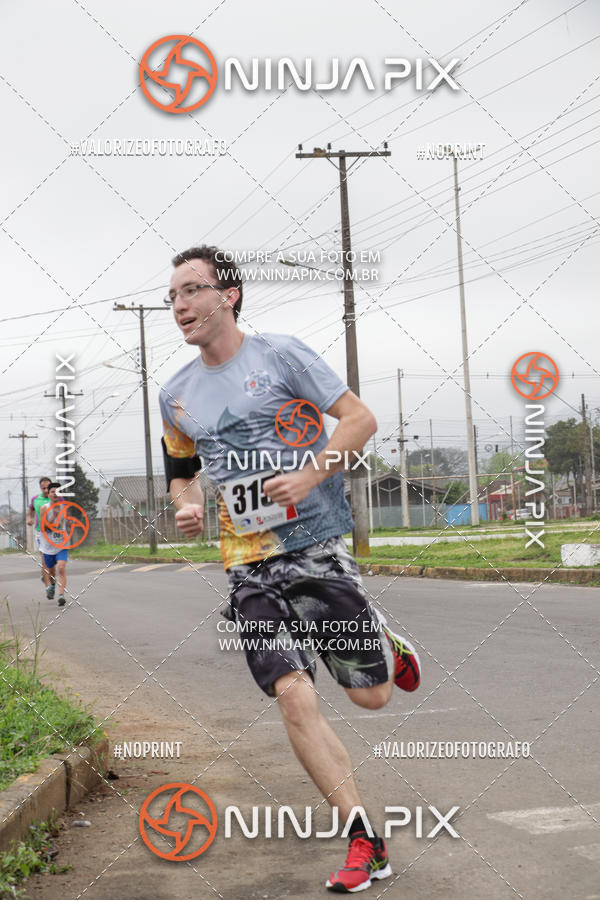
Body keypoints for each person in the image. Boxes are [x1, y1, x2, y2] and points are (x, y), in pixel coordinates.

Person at [159, 245, 421, 894]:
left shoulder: (282, 355)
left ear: (230, 295)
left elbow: (359, 420)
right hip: (247, 564)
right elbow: (182, 477)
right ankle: (365, 839)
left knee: (371, 695)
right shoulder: (175, 396)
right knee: (293, 693)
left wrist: (310, 473)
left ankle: (382, 639)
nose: (180, 306)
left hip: (317, 545)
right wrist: (188, 508)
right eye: (172, 297)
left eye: (191, 290)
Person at [38, 482, 69, 607]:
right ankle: (52, 585)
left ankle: (61, 595)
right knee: (52, 572)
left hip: (61, 544)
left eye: (57, 491)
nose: (55, 493)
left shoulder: (64, 507)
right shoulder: (44, 508)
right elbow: (44, 528)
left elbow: (65, 525)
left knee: (61, 567)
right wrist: (54, 517)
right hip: (48, 546)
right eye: (52, 492)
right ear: (48, 494)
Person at [26, 476, 53, 595]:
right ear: (41, 488)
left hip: (55, 533)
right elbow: (30, 511)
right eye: (43, 488)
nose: (46, 490)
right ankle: (48, 588)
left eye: (48, 487)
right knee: (45, 560)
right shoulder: (35, 499)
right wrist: (30, 518)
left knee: (54, 562)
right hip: (41, 532)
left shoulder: (58, 498)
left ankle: (49, 578)